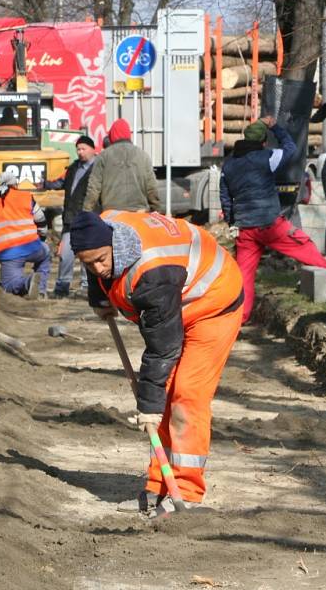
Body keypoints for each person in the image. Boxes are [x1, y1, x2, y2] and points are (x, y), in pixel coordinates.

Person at [70, 210, 244, 516]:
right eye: (89, 263)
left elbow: (162, 349)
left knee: (186, 395)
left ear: (114, 244)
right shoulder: (101, 226)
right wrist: (100, 298)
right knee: (163, 395)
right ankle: (160, 482)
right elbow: (95, 261)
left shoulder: (152, 273)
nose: (98, 268)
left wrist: (147, 408)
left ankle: (187, 491)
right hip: (177, 303)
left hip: (212, 303)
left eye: (101, 259)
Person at [220, 116, 326, 324]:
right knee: (303, 245)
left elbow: (225, 198)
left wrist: (232, 221)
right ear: (263, 142)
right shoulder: (267, 157)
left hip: (245, 228)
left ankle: (240, 319)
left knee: (244, 276)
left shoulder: (229, 166)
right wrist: (275, 127)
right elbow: (290, 148)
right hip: (270, 224)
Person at [0, 171, 50, 298]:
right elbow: (42, 221)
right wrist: (42, 240)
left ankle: (28, 283)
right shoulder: (26, 197)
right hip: (33, 248)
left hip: (8, 254)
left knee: (10, 286)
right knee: (45, 251)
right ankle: (40, 290)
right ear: (15, 184)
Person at [42, 135, 96, 297]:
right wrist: (44, 184)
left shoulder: (98, 170)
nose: (80, 152)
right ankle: (62, 287)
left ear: (93, 149)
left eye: (83, 149)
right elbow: (60, 183)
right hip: (70, 219)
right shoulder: (73, 168)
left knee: (88, 255)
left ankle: (87, 287)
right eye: (78, 149)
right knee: (65, 254)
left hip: (89, 219)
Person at [83, 118, 160, 213]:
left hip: (112, 215)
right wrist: (155, 209)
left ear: (111, 135)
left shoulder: (103, 156)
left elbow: (93, 188)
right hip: (138, 213)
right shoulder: (143, 155)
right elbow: (152, 187)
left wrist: (86, 212)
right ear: (128, 135)